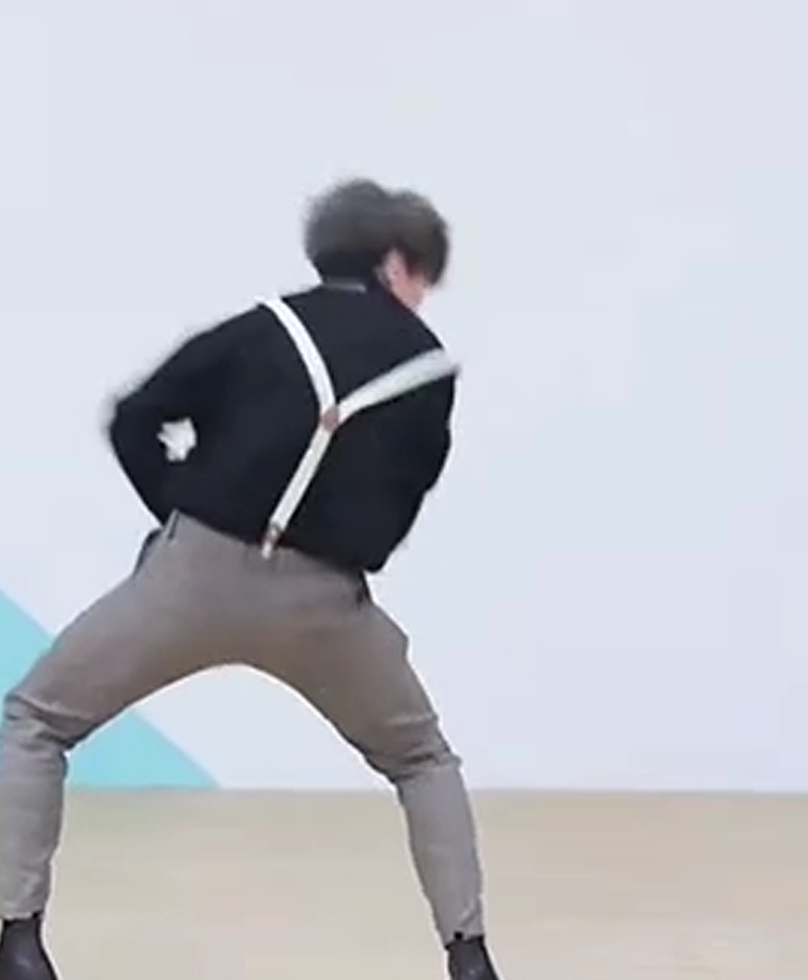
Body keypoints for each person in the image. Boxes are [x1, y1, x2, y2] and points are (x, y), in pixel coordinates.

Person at [0, 178, 502, 980]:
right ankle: (468, 955)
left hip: (192, 576)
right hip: (326, 605)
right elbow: (405, 498)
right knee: (421, 761)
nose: (423, 294)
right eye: (423, 275)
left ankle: (18, 943)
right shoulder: (430, 369)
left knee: (36, 720)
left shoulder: (264, 326)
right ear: (393, 263)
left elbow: (135, 416)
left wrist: (182, 510)